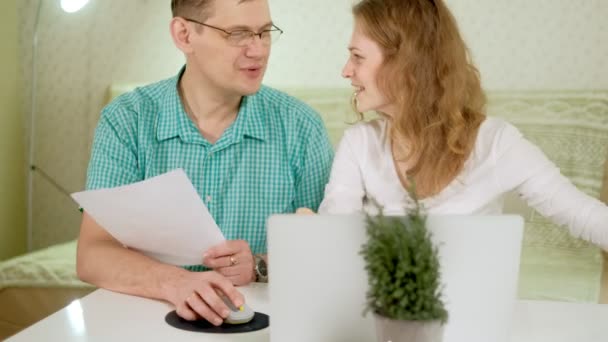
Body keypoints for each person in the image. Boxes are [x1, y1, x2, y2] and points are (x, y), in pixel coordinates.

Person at [76, 0, 333, 326]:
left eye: (265, 32)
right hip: (144, 324)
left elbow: (327, 253)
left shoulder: (302, 127)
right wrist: (175, 282)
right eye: (238, 33)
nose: (258, 51)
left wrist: (258, 265)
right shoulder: (127, 120)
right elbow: (92, 255)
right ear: (184, 35)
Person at [316, 0, 608, 249]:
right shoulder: (358, 144)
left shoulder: (495, 143)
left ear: (404, 65)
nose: (346, 70)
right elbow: (334, 241)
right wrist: (311, 237)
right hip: (380, 313)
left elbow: (583, 215)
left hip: (472, 312)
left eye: (357, 57)